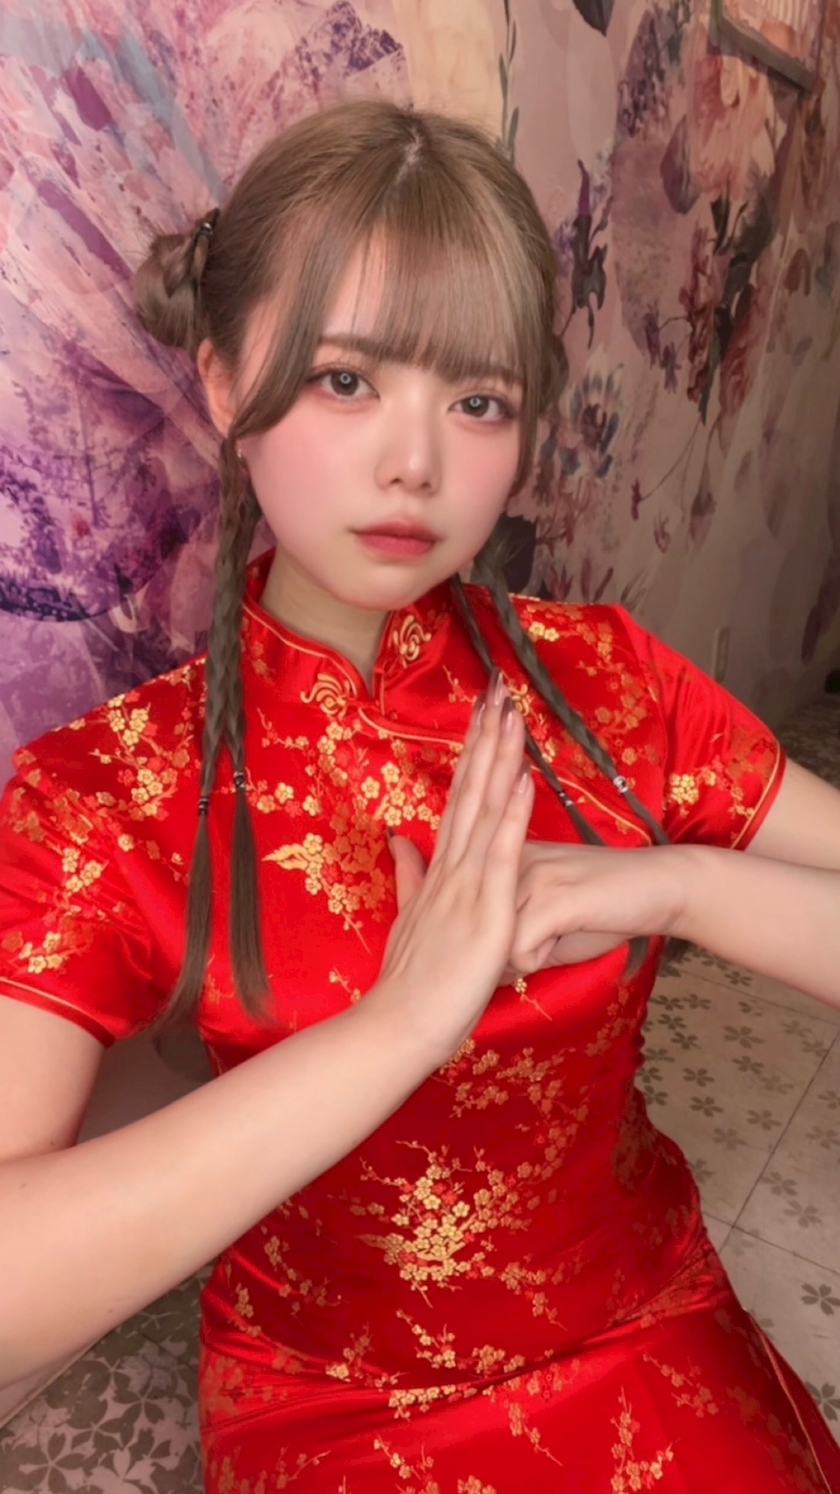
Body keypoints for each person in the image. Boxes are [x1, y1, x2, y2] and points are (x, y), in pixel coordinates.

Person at [0, 100, 838, 1493]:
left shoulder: (604, 683)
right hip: (333, 1392)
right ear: (224, 380)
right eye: (346, 379)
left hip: (635, 1314)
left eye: (478, 401)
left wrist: (684, 885)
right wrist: (398, 1025)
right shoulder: (112, 788)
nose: (416, 464)